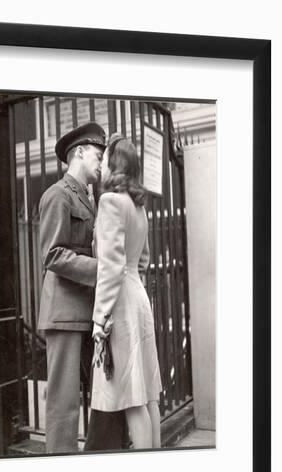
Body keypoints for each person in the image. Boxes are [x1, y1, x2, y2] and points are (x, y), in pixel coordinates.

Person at [89, 133, 163, 449]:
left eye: (104, 159)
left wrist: (99, 317)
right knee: (148, 394)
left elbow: (109, 267)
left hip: (120, 301)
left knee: (132, 396)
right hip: (137, 296)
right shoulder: (136, 207)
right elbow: (141, 261)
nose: (102, 165)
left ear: (113, 164)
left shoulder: (110, 202)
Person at [37, 122, 106, 453]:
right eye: (98, 154)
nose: (102, 162)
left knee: (98, 397)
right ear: (79, 152)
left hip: (84, 310)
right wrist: (102, 270)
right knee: (63, 405)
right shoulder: (57, 195)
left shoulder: (88, 198)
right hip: (64, 312)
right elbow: (52, 254)